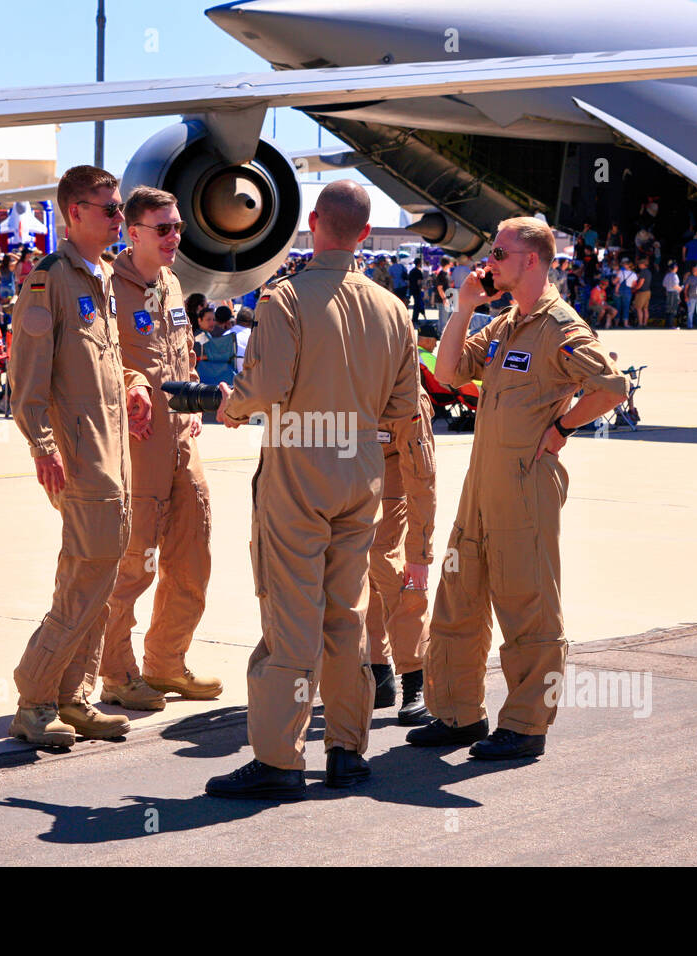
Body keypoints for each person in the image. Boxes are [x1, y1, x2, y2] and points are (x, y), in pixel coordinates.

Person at [207, 180, 420, 798]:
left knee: (290, 615)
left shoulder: (287, 299)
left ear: (314, 221)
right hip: (362, 465)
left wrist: (231, 404)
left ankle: (279, 759)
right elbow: (404, 405)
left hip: (301, 466)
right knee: (346, 614)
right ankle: (347, 752)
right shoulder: (390, 307)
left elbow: (264, 387)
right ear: (363, 231)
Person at [407, 216, 628, 759]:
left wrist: (561, 430)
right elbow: (452, 371)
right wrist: (463, 308)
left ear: (532, 260)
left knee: (527, 602)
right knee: (458, 596)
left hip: (526, 486)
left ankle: (527, 724)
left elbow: (612, 388)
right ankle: (458, 714)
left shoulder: (561, 328)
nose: (491, 262)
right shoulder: (507, 324)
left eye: (500, 253)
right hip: (483, 484)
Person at [5, 164, 153, 747]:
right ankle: (34, 696)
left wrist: (133, 385)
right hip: (80, 458)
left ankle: (74, 695)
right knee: (86, 580)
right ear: (75, 214)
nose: (120, 217)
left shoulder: (97, 277)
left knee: (99, 577)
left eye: (118, 207)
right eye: (110, 208)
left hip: (112, 455)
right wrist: (43, 447)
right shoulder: (50, 280)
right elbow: (28, 382)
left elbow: (98, 363)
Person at [97, 186, 220, 712]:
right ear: (134, 232)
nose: (174, 238)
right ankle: (116, 674)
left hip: (181, 441)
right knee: (133, 565)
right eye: (163, 229)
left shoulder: (171, 283)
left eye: (178, 228)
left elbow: (182, 354)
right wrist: (128, 385)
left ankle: (166, 662)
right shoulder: (104, 288)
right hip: (136, 445)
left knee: (193, 557)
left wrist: (192, 403)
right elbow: (89, 364)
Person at [367, 385, 436, 725]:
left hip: (391, 473)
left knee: (387, 564)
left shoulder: (407, 395)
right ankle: (377, 671)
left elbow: (423, 479)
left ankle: (416, 680)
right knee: (351, 570)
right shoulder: (346, 368)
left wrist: (420, 553)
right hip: (349, 471)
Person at [662, 262, 681, 327]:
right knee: (673, 310)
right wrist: (680, 288)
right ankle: (671, 325)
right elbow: (674, 286)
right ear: (675, 268)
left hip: (668, 293)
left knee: (668, 309)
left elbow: (664, 284)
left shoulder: (667, 275)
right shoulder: (675, 275)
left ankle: (667, 324)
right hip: (674, 293)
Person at [409, 256, 426, 323]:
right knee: (417, 305)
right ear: (419, 263)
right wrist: (421, 288)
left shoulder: (411, 271)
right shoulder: (418, 272)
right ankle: (415, 319)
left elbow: (409, 281)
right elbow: (419, 282)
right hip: (417, 290)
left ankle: (414, 318)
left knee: (416, 304)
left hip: (412, 289)